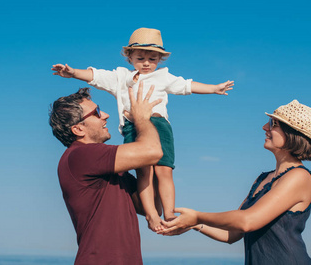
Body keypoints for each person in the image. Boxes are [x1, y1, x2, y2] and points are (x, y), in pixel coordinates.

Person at [51, 27, 234, 231]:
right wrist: (73, 72)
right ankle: (151, 215)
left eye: (152, 59)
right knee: (144, 173)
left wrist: (213, 88)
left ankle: (170, 213)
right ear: (129, 57)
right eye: (140, 58)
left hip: (160, 126)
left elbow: (187, 86)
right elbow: (96, 76)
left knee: (165, 171)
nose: (146, 63)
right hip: (132, 126)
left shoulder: (163, 77)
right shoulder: (120, 78)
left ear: (159, 59)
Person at [159, 100, 311, 265]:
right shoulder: (262, 179)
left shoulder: (299, 177)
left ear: (292, 134)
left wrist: (196, 216)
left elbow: (247, 221)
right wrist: (194, 224)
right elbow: (232, 234)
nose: (265, 127)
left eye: (274, 124)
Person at [49, 82, 163, 265]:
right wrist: (141, 119)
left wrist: (144, 162)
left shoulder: (107, 170)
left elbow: (153, 208)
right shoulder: (80, 155)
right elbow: (153, 151)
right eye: (96, 112)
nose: (106, 115)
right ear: (78, 129)